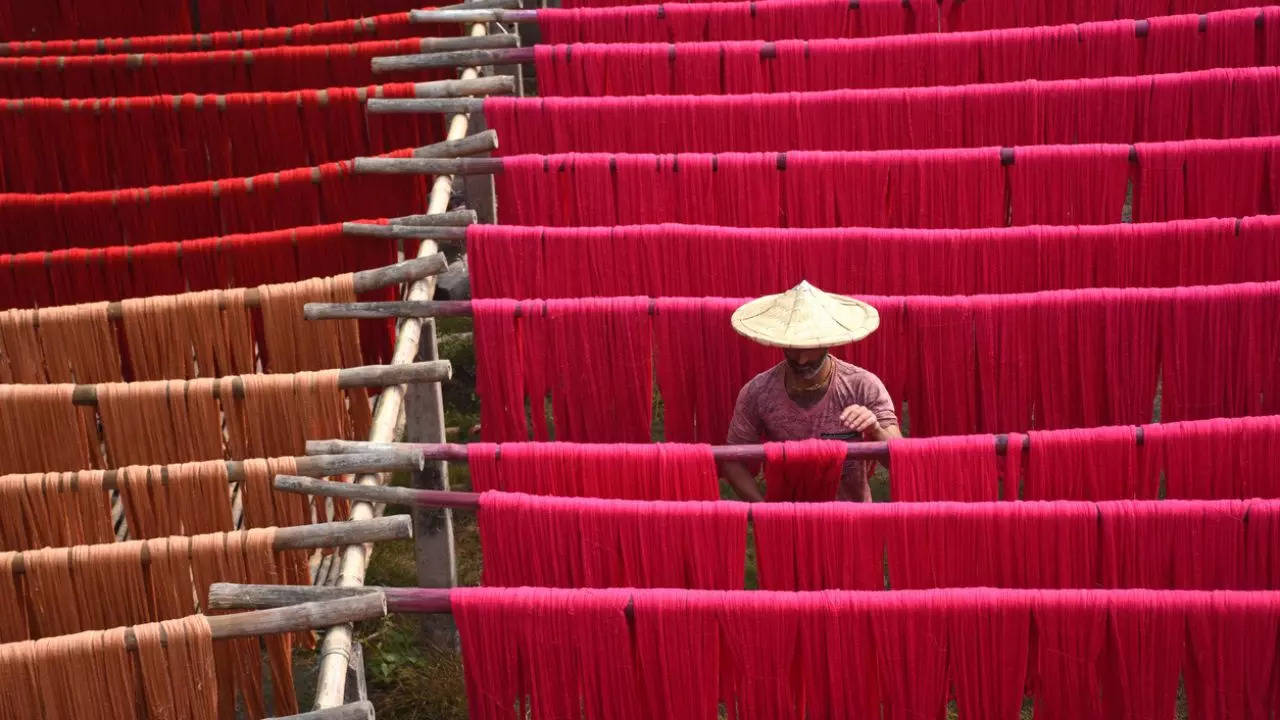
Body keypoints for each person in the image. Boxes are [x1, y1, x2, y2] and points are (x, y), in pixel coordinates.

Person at [723, 281, 901, 502]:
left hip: (852, 520)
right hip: (788, 518)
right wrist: (765, 511)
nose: (802, 359)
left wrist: (875, 429)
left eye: (810, 349)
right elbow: (732, 459)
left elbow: (898, 459)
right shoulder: (758, 392)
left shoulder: (862, 385)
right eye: (793, 349)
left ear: (827, 341)